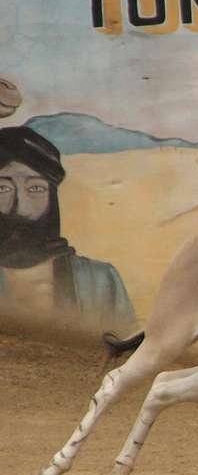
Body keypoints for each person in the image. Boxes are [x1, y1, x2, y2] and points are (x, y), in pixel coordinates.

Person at [0, 126, 136, 343]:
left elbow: (123, 356)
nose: (21, 207)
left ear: (53, 196)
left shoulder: (100, 280)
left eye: (35, 188)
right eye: (3, 189)